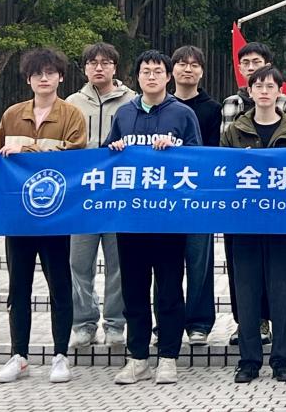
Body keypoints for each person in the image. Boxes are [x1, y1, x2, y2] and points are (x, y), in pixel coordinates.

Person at [0, 47, 86, 385]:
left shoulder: (72, 115)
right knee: (18, 288)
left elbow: (74, 157)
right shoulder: (12, 115)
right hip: (19, 217)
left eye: (50, 72)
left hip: (56, 216)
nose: (44, 78)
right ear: (28, 79)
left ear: (61, 77)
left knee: (60, 286)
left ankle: (61, 355)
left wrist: (28, 149)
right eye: (37, 73)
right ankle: (19, 356)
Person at [105, 50, 202, 387]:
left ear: (167, 76)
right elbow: (106, 159)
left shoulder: (183, 113)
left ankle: (168, 357)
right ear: (137, 77)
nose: (151, 76)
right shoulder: (123, 113)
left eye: (157, 71)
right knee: (134, 290)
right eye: (145, 71)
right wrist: (115, 149)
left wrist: (175, 148)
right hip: (131, 219)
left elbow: (198, 159)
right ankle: (138, 358)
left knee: (170, 289)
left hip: (169, 219)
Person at [222, 67, 286, 383]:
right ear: (249, 91)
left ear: (279, 92)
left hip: (282, 224)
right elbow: (222, 172)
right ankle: (249, 360)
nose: (263, 91)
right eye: (258, 86)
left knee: (281, 290)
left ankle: (282, 359)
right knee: (246, 291)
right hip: (244, 223)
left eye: (269, 86)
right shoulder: (235, 131)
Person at [66, 42, 133, 349]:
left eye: (105, 62)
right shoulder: (72, 104)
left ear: (114, 68)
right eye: (92, 63)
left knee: (118, 264)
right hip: (83, 198)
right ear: (85, 68)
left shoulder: (132, 102)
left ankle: (116, 324)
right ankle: (83, 323)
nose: (99, 68)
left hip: (118, 196)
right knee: (79, 263)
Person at [220, 40, 282, 347]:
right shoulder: (230, 103)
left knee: (272, 264)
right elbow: (223, 151)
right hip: (239, 198)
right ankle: (244, 321)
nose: (250, 67)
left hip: (274, 200)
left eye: (256, 62)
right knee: (238, 264)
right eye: (245, 63)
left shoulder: (284, 102)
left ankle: (267, 320)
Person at [171, 44, 221, 345]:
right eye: (181, 63)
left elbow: (213, 154)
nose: (187, 69)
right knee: (167, 262)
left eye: (194, 64)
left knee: (200, 262)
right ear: (172, 70)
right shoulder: (161, 106)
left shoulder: (213, 109)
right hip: (165, 199)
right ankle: (168, 321)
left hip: (200, 197)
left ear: (202, 72)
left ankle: (199, 322)